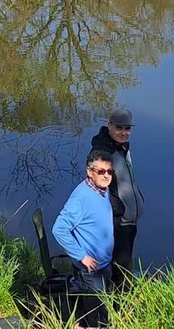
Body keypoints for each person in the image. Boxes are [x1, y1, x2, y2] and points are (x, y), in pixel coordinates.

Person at [91, 108, 144, 288]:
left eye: (127, 128)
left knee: (126, 262)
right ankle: (120, 307)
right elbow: (95, 187)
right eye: (119, 128)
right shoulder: (102, 153)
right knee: (121, 267)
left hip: (130, 218)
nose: (123, 133)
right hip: (118, 221)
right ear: (109, 126)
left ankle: (122, 297)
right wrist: (116, 209)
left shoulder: (122, 148)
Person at [52, 149, 115, 296]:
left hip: (104, 262)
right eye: (101, 171)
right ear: (89, 171)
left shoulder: (102, 190)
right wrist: (82, 256)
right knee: (97, 312)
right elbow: (59, 229)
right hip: (90, 269)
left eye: (110, 171)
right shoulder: (81, 199)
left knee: (106, 302)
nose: (106, 175)